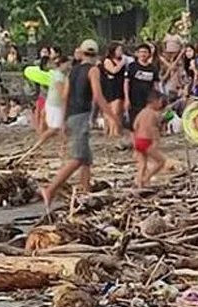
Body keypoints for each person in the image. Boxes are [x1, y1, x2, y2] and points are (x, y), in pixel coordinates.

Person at [41, 40, 111, 208]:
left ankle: (85, 192)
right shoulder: (93, 70)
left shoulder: (73, 71)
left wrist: (64, 118)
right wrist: (112, 116)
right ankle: (50, 189)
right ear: (95, 55)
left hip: (72, 115)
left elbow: (65, 96)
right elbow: (98, 96)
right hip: (81, 115)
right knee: (78, 158)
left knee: (86, 158)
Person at [32, 55, 70, 151]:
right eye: (67, 64)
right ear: (61, 64)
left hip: (56, 104)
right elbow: (62, 94)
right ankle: (38, 144)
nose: (69, 67)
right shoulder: (58, 76)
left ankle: (63, 149)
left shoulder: (61, 75)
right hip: (55, 105)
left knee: (60, 128)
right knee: (55, 129)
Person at [131, 90, 167, 188]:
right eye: (160, 102)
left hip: (138, 140)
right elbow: (153, 128)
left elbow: (134, 126)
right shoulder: (153, 114)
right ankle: (146, 178)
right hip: (146, 141)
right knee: (161, 161)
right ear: (155, 101)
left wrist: (134, 143)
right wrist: (156, 140)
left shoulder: (141, 112)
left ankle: (139, 183)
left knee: (142, 164)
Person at [125, 43, 159, 127]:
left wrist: (156, 99)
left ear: (149, 54)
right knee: (134, 124)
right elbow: (126, 83)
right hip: (134, 99)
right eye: (141, 52)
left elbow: (156, 84)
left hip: (147, 100)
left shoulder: (153, 68)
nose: (143, 54)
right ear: (137, 53)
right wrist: (126, 98)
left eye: (145, 52)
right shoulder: (132, 66)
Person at [101, 42, 128, 140]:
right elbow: (114, 70)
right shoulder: (108, 61)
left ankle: (117, 129)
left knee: (120, 110)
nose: (121, 52)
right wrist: (122, 63)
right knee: (114, 110)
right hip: (112, 87)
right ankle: (112, 131)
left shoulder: (122, 60)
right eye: (119, 50)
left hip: (120, 85)